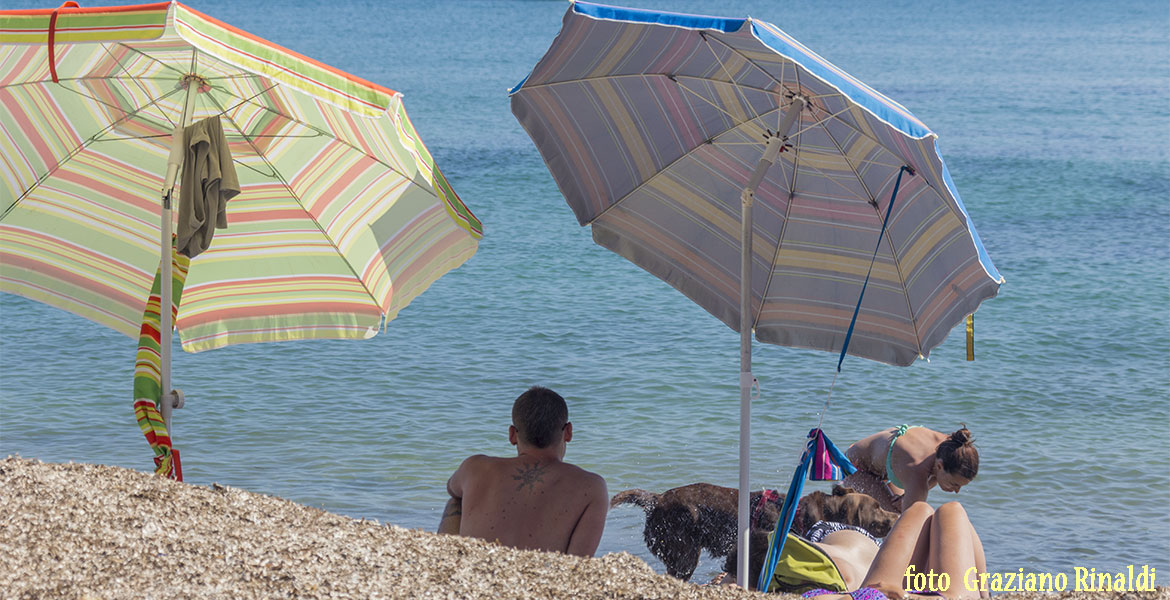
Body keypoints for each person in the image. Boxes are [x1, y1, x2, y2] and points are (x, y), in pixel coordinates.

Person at [437, 386, 609, 557]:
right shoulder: (592, 487)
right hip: (541, 580)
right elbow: (579, 562)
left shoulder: (475, 467)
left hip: (473, 579)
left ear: (512, 434)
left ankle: (445, 564)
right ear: (569, 432)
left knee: (456, 500)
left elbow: (451, 488)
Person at [802, 502, 990, 600]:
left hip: (871, 592)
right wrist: (907, 596)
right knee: (951, 511)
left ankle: (984, 594)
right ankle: (984, 595)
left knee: (921, 509)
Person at [843, 426, 979, 513]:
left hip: (882, 467)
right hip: (853, 468)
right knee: (895, 520)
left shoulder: (951, 447)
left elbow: (933, 477)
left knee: (904, 508)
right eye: (954, 484)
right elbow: (910, 524)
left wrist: (904, 499)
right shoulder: (917, 468)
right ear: (939, 466)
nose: (956, 491)